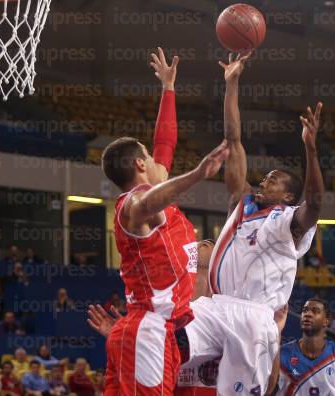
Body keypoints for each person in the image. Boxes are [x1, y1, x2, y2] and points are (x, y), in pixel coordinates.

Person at [100, 47, 229, 395]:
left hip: (163, 331)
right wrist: (199, 174)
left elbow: (165, 141)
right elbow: (150, 199)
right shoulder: (133, 205)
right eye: (150, 158)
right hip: (148, 328)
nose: (161, 160)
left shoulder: (155, 197)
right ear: (141, 165)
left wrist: (168, 89)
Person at [193, 52, 322, 394]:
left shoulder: (287, 222)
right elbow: (234, 141)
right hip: (215, 306)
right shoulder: (241, 200)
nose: (265, 180)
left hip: (254, 318)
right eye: (264, 177)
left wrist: (310, 150)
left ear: (288, 196)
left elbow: (316, 203)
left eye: (274, 179)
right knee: (164, 343)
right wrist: (231, 83)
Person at [87, 239, 289, 395]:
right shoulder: (166, 319)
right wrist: (130, 341)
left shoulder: (237, 321)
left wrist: (274, 335)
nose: (204, 246)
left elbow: (267, 387)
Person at [268, 298, 335, 395]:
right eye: (305, 310)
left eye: (315, 311)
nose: (308, 314)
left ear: (326, 321)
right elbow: (268, 392)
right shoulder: (281, 354)